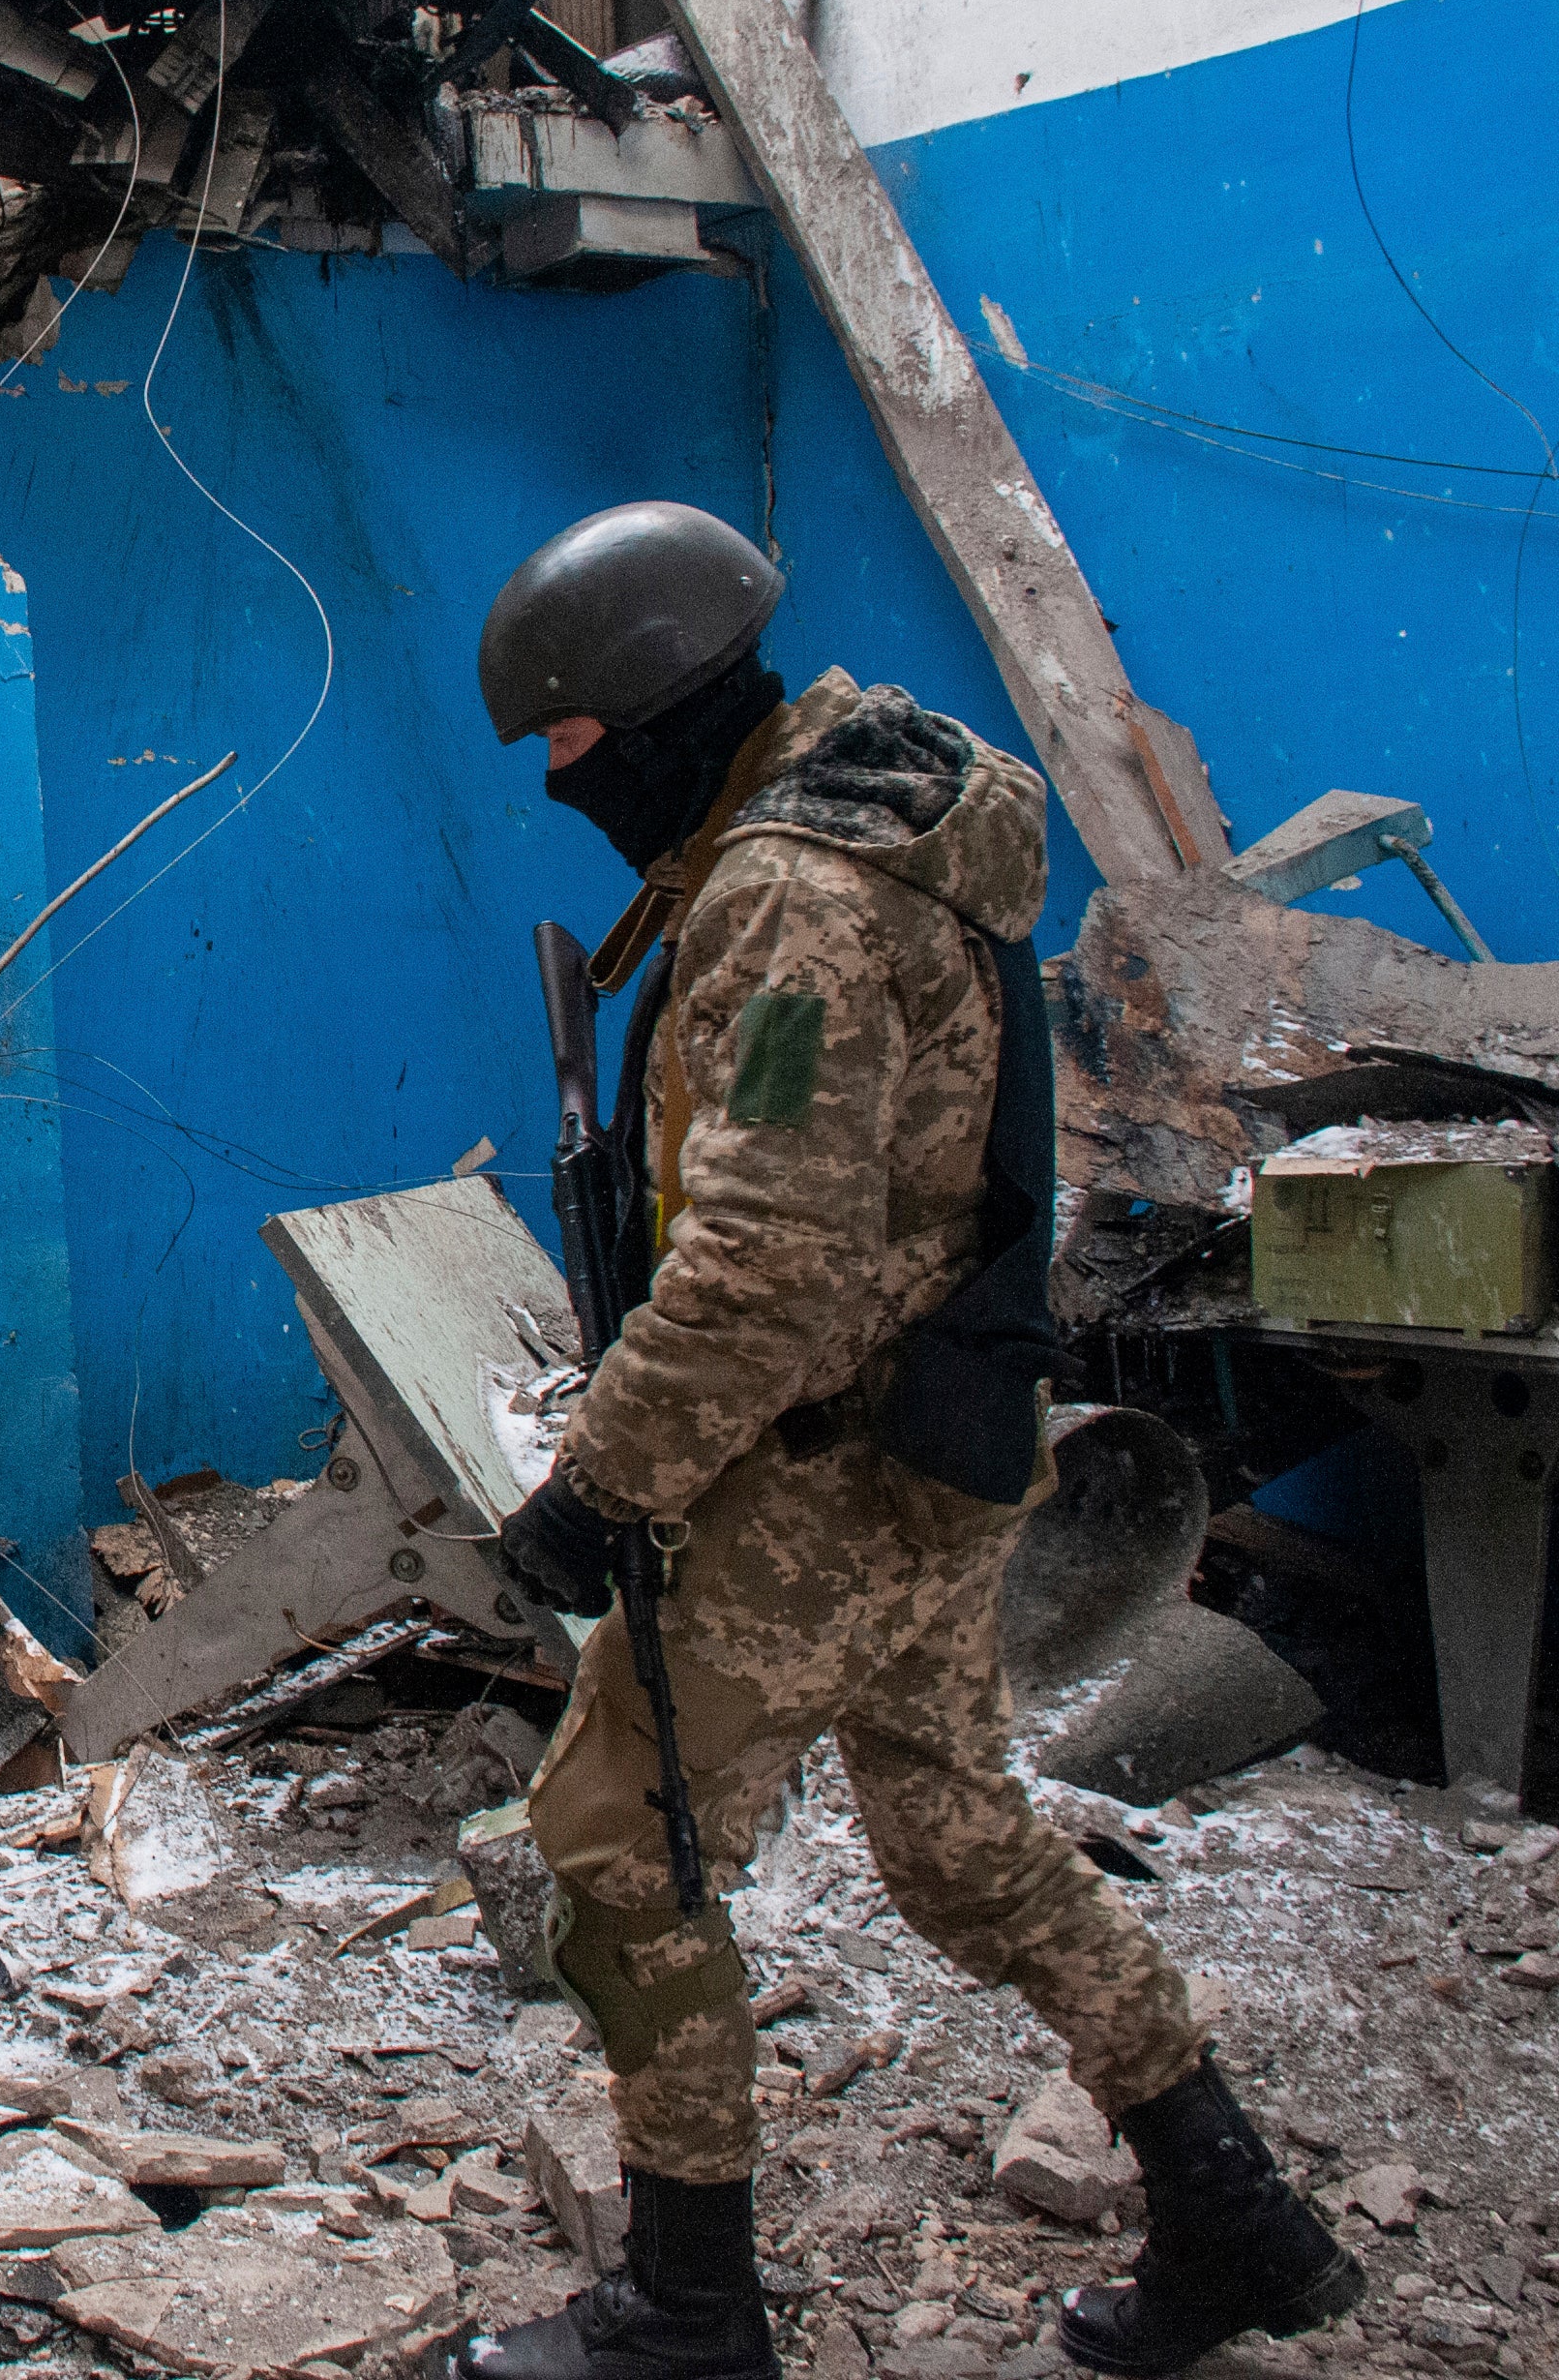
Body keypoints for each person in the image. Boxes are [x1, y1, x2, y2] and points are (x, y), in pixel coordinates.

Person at [431, 502, 1361, 2380]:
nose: (554, 780)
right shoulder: (901, 807)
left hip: (811, 1479)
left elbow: (767, 1257)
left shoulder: (787, 898)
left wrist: (594, 1483)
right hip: (939, 1436)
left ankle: (684, 2309)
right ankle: (1230, 2208)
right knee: (953, 1837)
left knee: (609, 1846)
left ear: (662, 703)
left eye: (569, 740)